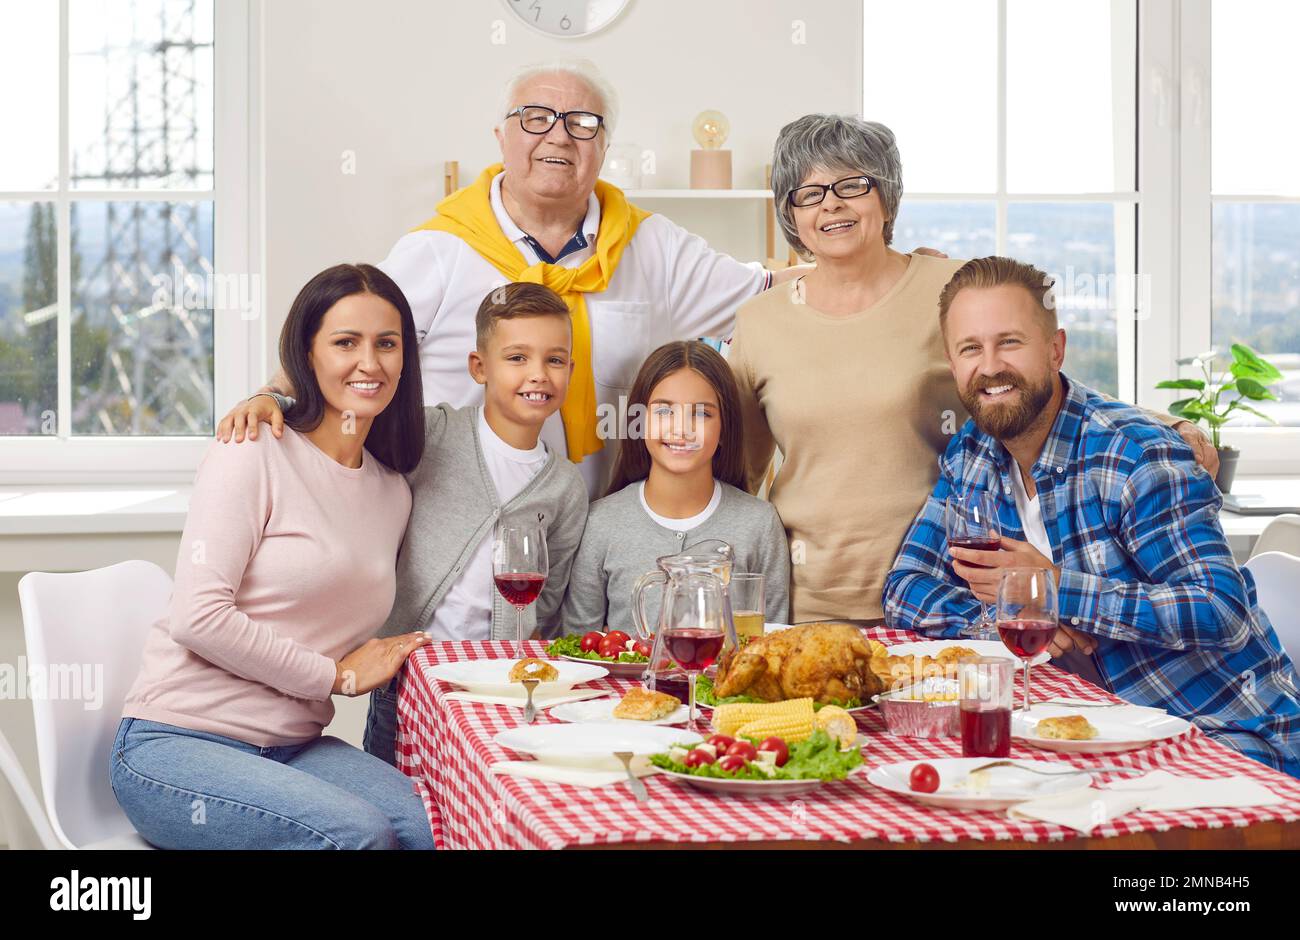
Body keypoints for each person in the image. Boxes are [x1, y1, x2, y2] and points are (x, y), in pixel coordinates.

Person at [217, 60, 808, 496]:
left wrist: (882, 270)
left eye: (582, 123)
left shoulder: (653, 244)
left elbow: (768, 294)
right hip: (453, 521)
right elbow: (346, 343)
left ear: (603, 147)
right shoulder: (439, 248)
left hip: (594, 527)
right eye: (536, 118)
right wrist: (271, 394)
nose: (558, 135)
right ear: (501, 138)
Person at [729, 113, 1219, 625]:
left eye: (852, 184)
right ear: (791, 213)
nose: (831, 203)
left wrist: (1167, 424)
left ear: (886, 196)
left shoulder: (952, 286)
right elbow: (738, 478)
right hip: (804, 602)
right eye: (808, 193)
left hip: (947, 593)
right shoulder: (760, 321)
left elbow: (1032, 380)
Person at [884, 256, 1300, 777]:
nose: (989, 366)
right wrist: (1012, 618)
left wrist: (1059, 590)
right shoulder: (973, 452)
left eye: (1009, 342)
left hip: (1218, 732)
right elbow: (906, 587)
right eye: (971, 348)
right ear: (952, 361)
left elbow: (1219, 609)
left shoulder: (1138, 457)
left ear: (1056, 349)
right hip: (1088, 728)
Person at [110, 264, 436, 848]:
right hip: (178, 744)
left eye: (387, 344)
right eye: (345, 342)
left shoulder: (392, 492)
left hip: (294, 747)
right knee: (355, 836)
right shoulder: (253, 448)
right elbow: (198, 617)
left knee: (432, 828)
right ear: (306, 355)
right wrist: (332, 675)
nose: (371, 362)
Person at [362, 282, 589, 765]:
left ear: (571, 369)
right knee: (401, 819)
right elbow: (344, 423)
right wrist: (275, 399)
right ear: (479, 367)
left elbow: (549, 602)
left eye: (554, 360)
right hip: (409, 679)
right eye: (517, 358)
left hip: (503, 687)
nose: (538, 374)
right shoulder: (435, 434)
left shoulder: (565, 486)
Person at [560, 341, 790, 635]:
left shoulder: (759, 524)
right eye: (664, 412)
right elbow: (579, 648)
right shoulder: (600, 523)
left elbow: (772, 646)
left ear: (724, 428)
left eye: (701, 413)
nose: (681, 429)